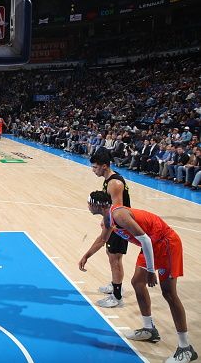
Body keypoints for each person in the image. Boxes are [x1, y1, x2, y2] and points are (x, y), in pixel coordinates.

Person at [84, 191, 197, 363]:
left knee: (169, 294)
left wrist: (151, 270)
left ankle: (186, 348)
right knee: (137, 282)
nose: (88, 205)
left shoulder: (119, 215)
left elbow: (144, 239)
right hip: (152, 244)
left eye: (89, 203)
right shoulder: (108, 218)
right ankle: (149, 329)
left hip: (165, 243)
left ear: (99, 205)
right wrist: (86, 256)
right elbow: (102, 239)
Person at [81, 148, 131, 308]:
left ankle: (117, 296)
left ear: (104, 166)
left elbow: (117, 209)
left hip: (120, 225)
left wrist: (107, 223)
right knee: (112, 255)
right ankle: (116, 284)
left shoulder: (114, 184)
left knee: (115, 258)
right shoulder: (108, 179)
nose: (93, 170)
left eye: (95, 167)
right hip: (115, 223)